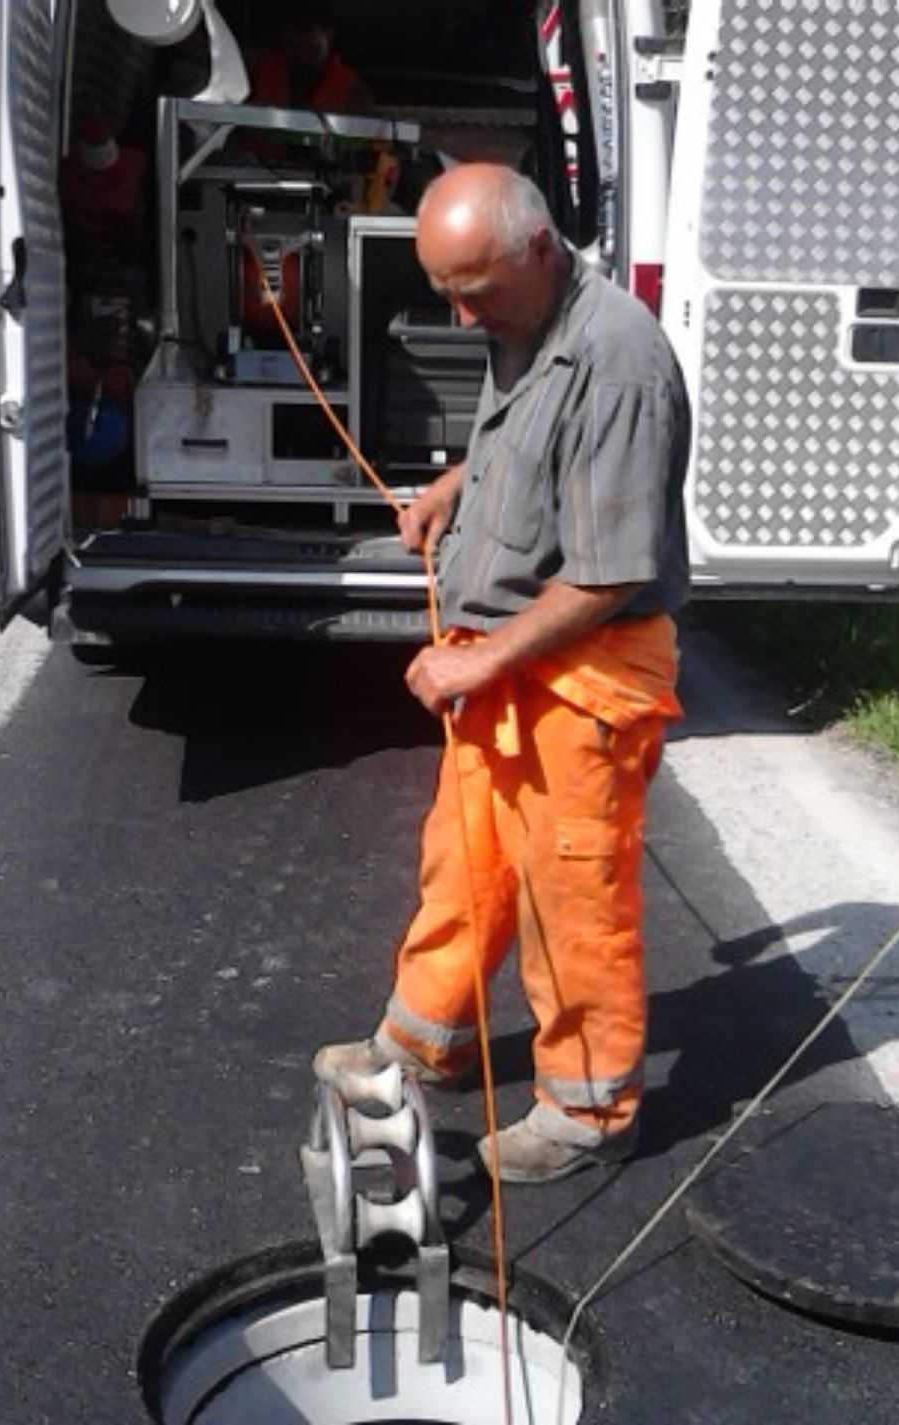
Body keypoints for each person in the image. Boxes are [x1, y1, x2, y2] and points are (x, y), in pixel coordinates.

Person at [314, 164, 691, 1184]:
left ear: (536, 247)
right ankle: (419, 1043)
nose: (461, 313)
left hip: (585, 670)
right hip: (509, 661)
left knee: (570, 896)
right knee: (466, 863)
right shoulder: (521, 316)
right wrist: (453, 486)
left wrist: (472, 658)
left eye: (473, 290)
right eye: (446, 292)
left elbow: (611, 573)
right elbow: (530, 448)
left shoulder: (617, 360)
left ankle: (587, 1108)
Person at [247, 0, 373, 112]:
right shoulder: (254, 71)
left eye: (314, 50)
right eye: (294, 50)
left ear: (330, 37)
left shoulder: (352, 91)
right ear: (281, 40)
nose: (303, 59)